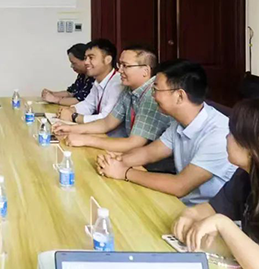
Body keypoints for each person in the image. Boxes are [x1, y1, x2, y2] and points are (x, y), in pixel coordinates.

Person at [172, 99, 259, 269]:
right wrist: (190, 215)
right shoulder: (247, 175)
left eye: (232, 133)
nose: (226, 137)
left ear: (253, 147)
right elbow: (210, 209)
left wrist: (223, 224)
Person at [97, 60, 236, 206]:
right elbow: (150, 153)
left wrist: (124, 172)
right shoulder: (180, 122)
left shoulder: (219, 135)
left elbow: (180, 186)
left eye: (156, 89)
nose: (152, 95)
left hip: (205, 213)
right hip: (181, 203)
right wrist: (116, 161)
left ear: (179, 96)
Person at [53, 45, 172, 153]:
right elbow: (107, 123)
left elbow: (134, 143)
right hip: (134, 152)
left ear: (145, 71)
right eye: (120, 65)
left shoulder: (153, 95)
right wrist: (71, 129)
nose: (120, 70)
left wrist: (86, 140)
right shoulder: (129, 89)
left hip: (153, 160)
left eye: (125, 66)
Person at [57, 39, 123, 124]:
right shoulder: (98, 81)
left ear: (108, 60)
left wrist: (74, 116)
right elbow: (88, 105)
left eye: (91, 58)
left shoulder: (118, 83)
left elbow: (105, 118)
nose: (86, 62)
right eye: (85, 58)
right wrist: (71, 110)